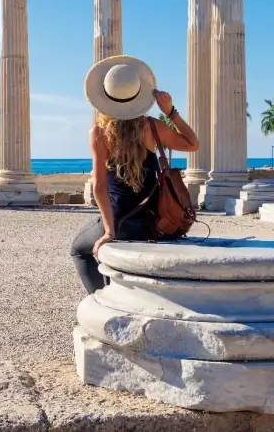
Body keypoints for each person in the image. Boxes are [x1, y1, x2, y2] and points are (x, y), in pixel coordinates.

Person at [70, 55, 201, 294]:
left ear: (105, 97)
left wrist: (109, 231)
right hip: (152, 223)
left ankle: (100, 300)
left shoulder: (99, 133)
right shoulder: (153, 127)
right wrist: (171, 112)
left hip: (120, 222)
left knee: (78, 249)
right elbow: (193, 144)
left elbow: (99, 187)